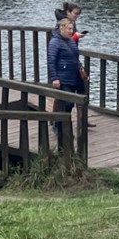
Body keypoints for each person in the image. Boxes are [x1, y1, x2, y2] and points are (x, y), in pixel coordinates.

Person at [47, 16, 87, 146]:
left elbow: (74, 57)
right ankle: (60, 126)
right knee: (67, 102)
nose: (71, 31)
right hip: (62, 77)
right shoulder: (55, 42)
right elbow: (51, 60)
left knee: (74, 102)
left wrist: (80, 68)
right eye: (69, 28)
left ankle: (64, 127)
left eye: (72, 28)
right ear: (61, 28)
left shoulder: (70, 41)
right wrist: (55, 78)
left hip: (73, 76)